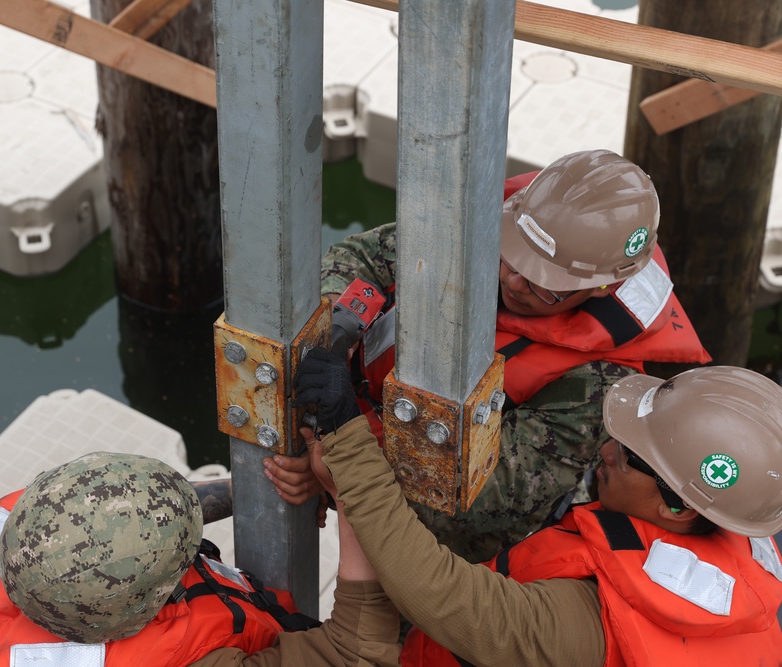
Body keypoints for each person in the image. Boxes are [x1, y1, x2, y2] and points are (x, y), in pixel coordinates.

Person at [266, 149, 711, 562]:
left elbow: (477, 503)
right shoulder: (489, 226)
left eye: (544, 282)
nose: (516, 283)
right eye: (513, 259)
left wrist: (339, 467)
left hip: (433, 555)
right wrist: (339, 323)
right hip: (344, 448)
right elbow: (362, 256)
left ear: (603, 288)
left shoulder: (594, 386)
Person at [293, 347, 782, 664]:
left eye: (630, 456)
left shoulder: (583, 627)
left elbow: (443, 595)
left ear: (679, 508)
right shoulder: (730, 523)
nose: (606, 450)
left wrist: (346, 439)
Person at [0, 451, 402, 667]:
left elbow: (123, 515)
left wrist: (248, 492)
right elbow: (358, 652)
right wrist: (354, 495)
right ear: (145, 609)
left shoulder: (35, 532)